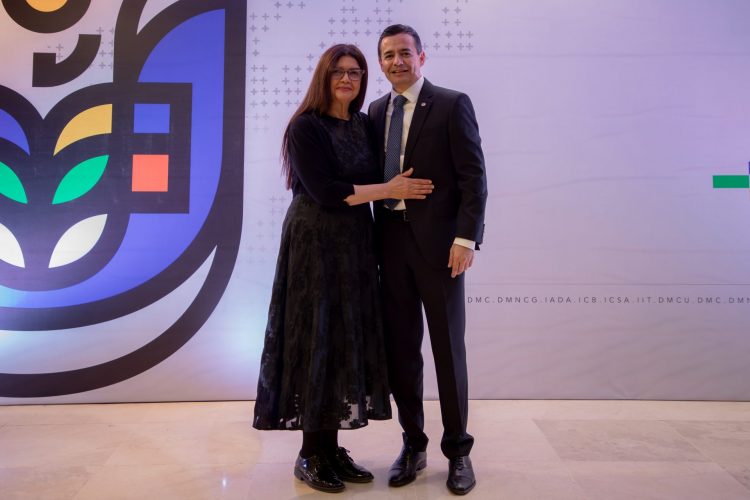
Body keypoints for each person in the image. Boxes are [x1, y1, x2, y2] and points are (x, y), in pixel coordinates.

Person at [252, 43, 434, 494]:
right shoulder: (305, 126)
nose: (347, 79)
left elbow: (375, 176)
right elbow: (327, 191)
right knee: (317, 337)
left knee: (340, 339)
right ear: (324, 77)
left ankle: (331, 450)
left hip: (355, 243)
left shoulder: (362, 123)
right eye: (339, 72)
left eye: (355, 72)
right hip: (314, 243)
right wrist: (390, 189)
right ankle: (309, 454)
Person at [368, 24, 488, 495]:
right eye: (388, 55)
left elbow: (474, 177)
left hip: (441, 249)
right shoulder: (375, 111)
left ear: (422, 57)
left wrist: (466, 239)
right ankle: (413, 444)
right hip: (389, 244)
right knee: (402, 352)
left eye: (404, 53)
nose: (396, 62)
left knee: (447, 350)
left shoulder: (452, 104)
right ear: (380, 63)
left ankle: (458, 452)